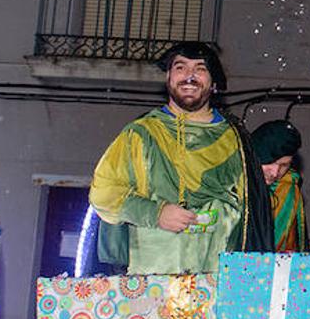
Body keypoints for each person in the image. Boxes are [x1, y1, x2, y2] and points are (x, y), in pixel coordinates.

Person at [89, 42, 274, 274]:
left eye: (200, 69)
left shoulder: (235, 139)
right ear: (168, 77)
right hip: (152, 281)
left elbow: (252, 215)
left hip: (217, 282)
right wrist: (155, 214)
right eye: (180, 68)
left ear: (214, 83)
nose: (189, 76)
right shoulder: (141, 133)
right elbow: (104, 193)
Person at [251, 119, 310, 253]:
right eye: (269, 162)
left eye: (284, 165)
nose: (275, 172)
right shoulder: (233, 184)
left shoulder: (288, 189)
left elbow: (293, 243)